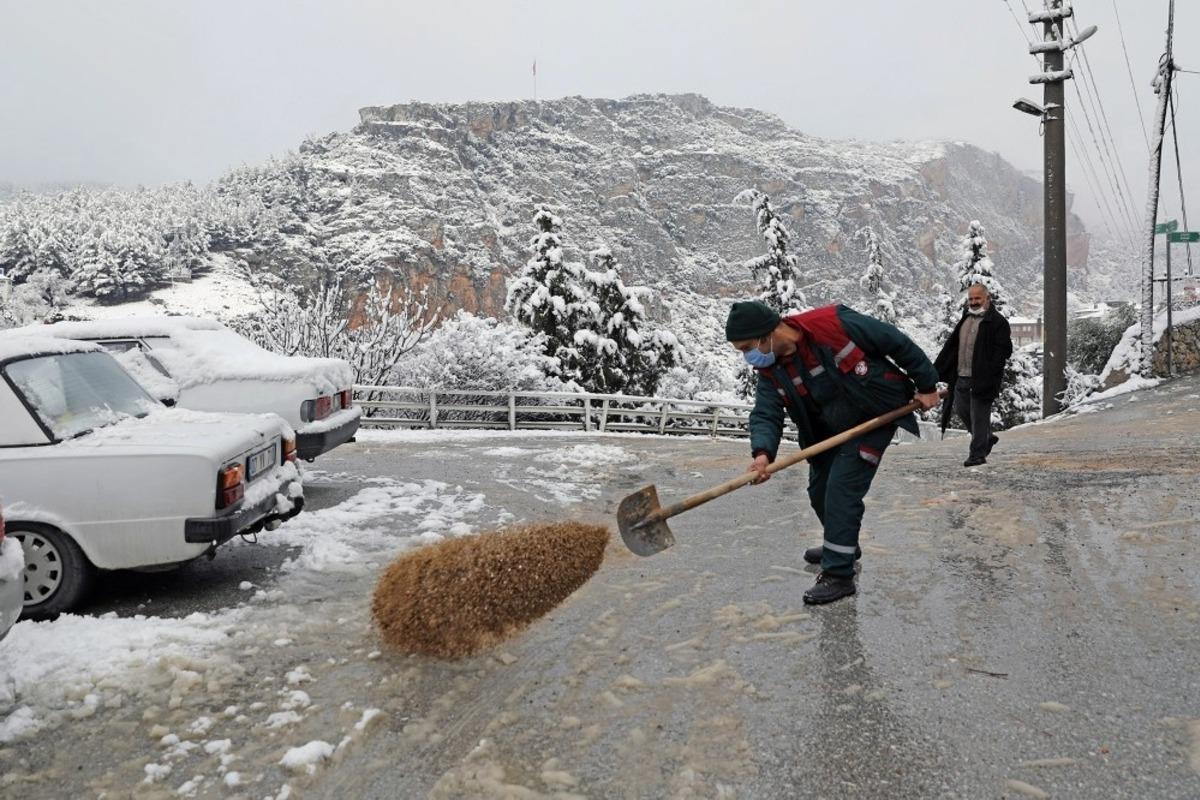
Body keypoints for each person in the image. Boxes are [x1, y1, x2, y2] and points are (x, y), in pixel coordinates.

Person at [726, 300, 940, 605]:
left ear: (767, 333)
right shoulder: (769, 369)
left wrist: (927, 384)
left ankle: (839, 575)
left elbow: (895, 341)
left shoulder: (833, 323)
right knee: (819, 491)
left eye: (748, 347)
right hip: (827, 429)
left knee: (841, 490)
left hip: (875, 413)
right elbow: (765, 413)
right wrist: (762, 455)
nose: (748, 356)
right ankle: (844, 547)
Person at [933, 283, 1013, 467]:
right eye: (971, 299)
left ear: (987, 299)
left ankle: (977, 455)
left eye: (978, 298)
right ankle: (986, 437)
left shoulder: (997, 322)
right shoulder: (966, 319)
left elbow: (1003, 352)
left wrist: (990, 375)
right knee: (962, 411)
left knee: (979, 417)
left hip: (982, 380)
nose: (974, 302)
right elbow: (952, 347)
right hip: (961, 377)